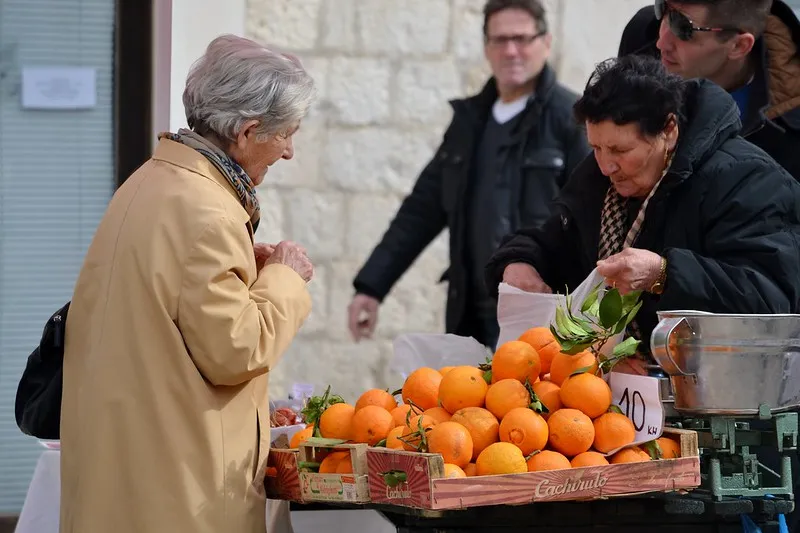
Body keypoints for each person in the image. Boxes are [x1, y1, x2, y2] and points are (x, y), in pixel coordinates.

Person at [60, 35, 315, 533]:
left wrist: (247, 270)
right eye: (286, 134)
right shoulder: (209, 209)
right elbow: (234, 350)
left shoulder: (150, 180)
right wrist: (286, 276)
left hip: (127, 468)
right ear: (246, 131)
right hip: (178, 488)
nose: (288, 152)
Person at [486, 54, 800, 359]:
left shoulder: (747, 178)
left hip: (716, 393)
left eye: (620, 149)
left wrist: (663, 273)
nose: (607, 165)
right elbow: (555, 240)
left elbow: (770, 299)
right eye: (595, 147)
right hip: (609, 392)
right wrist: (519, 262)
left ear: (669, 131)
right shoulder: (596, 179)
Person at [348, 0, 590, 349]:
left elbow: (587, 217)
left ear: (546, 42)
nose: (511, 51)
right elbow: (421, 210)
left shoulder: (573, 119)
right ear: (486, 47)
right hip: (471, 309)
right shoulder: (469, 122)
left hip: (541, 308)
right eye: (500, 40)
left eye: (522, 39)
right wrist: (371, 286)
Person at [618, 0, 800, 180]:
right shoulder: (642, 33)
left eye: (683, 28)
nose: (661, 42)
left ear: (739, 46)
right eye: (662, 9)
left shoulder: (791, 136)